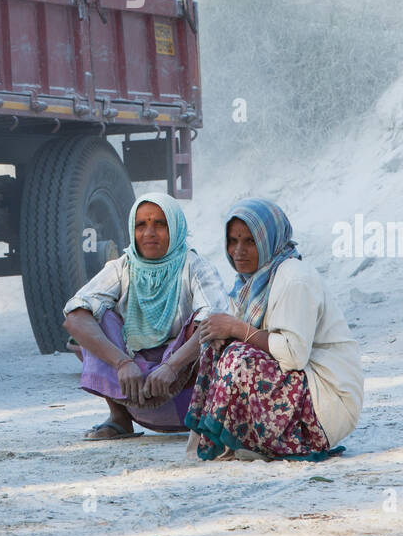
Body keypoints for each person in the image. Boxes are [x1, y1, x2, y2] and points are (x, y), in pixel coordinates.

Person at [186, 197, 363, 462]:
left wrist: (236, 328)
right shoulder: (251, 282)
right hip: (300, 384)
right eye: (233, 241)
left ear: (269, 241)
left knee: (238, 358)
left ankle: (281, 440)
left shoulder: (294, 277)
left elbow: (293, 355)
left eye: (250, 241)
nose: (238, 251)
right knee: (216, 345)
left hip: (327, 400)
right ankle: (227, 441)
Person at [63, 192, 230, 440]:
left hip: (185, 392)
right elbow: (74, 317)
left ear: (175, 227)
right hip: (132, 385)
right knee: (94, 316)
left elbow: (216, 321)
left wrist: (171, 367)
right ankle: (119, 418)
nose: (149, 233)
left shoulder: (195, 267)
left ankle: (204, 419)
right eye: (141, 225)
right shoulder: (122, 267)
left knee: (206, 326)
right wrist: (122, 363)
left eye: (159, 224)